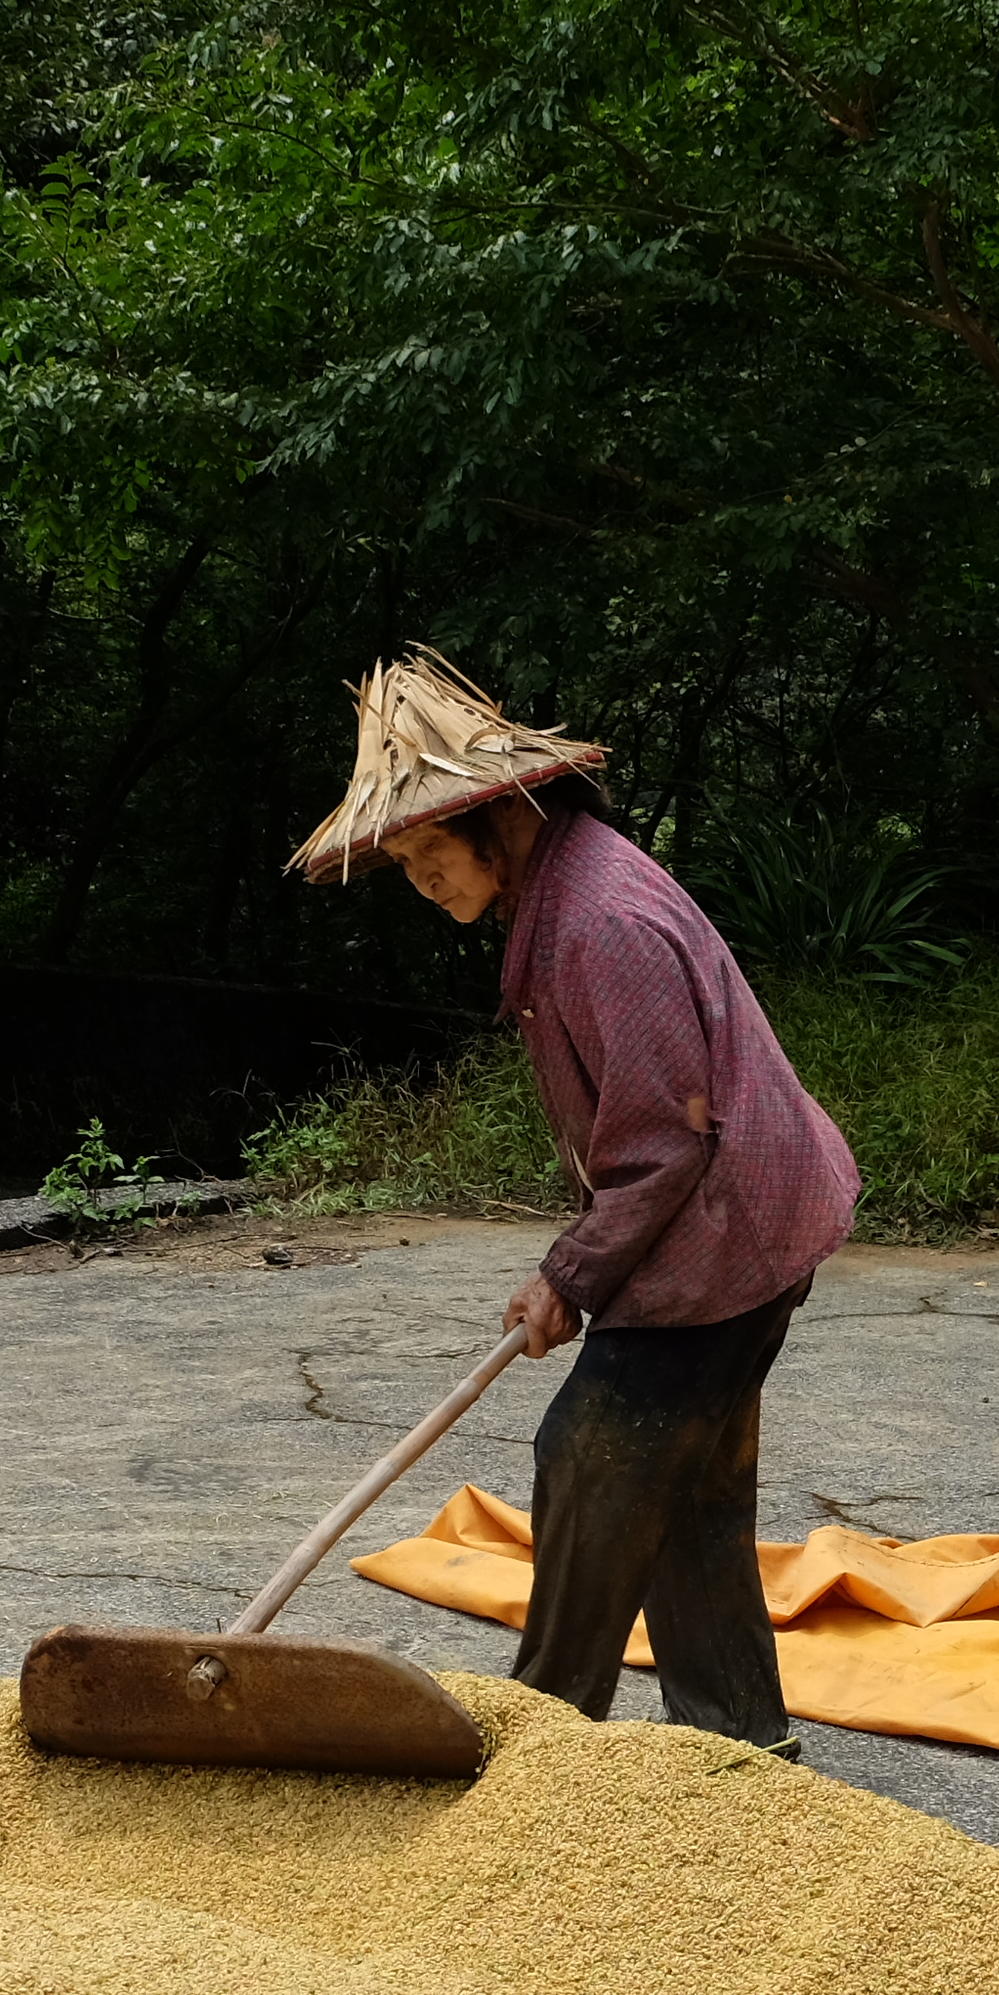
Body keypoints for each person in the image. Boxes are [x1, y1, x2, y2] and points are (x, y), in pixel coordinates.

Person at [288, 649, 859, 1754]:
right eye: (402, 862)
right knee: (684, 1489)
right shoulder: (562, 893)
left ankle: (543, 1742)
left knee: (591, 1458)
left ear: (495, 823)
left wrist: (568, 1276)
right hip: (731, 1224)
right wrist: (575, 1272)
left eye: (428, 853)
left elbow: (661, 1148)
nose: (423, 881)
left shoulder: (598, 922)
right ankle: (738, 1742)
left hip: (729, 1238)